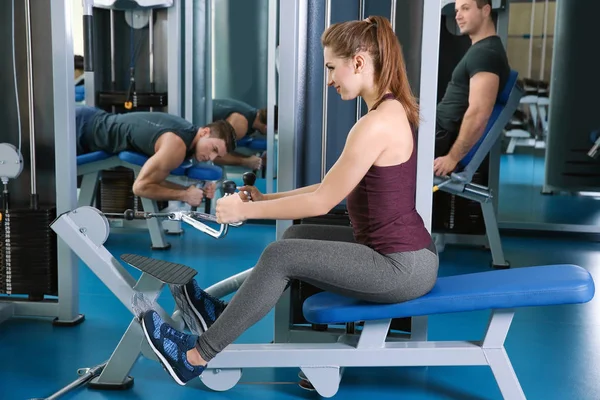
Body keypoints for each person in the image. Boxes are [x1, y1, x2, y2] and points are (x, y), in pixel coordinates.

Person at [140, 16, 439, 386]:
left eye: (331, 67)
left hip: (401, 268)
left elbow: (322, 202)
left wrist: (246, 211)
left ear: (358, 62)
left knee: (279, 256)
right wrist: (266, 198)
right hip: (404, 255)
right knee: (294, 238)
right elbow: (324, 188)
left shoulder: (375, 124)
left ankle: (194, 356)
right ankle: (218, 312)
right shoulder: (387, 111)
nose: (329, 79)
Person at [76, 106, 237, 207]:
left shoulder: (188, 133)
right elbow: (140, 187)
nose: (211, 157)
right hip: (79, 129)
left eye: (217, 155)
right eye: (214, 148)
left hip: (91, 119)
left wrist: (194, 189)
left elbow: (157, 179)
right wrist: (184, 195)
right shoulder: (176, 146)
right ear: (205, 132)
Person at [433, 0, 510, 177]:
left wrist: (452, 158)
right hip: (437, 128)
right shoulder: (482, 49)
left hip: (439, 135)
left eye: (465, 9)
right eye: (457, 10)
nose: (458, 15)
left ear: (486, 10)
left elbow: (479, 112)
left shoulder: (486, 53)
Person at [211, 98, 277, 171]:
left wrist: (252, 160)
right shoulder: (241, 124)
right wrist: (245, 161)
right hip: (198, 139)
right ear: (267, 127)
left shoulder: (250, 114)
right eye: (274, 132)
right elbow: (212, 153)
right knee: (219, 177)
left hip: (201, 136)